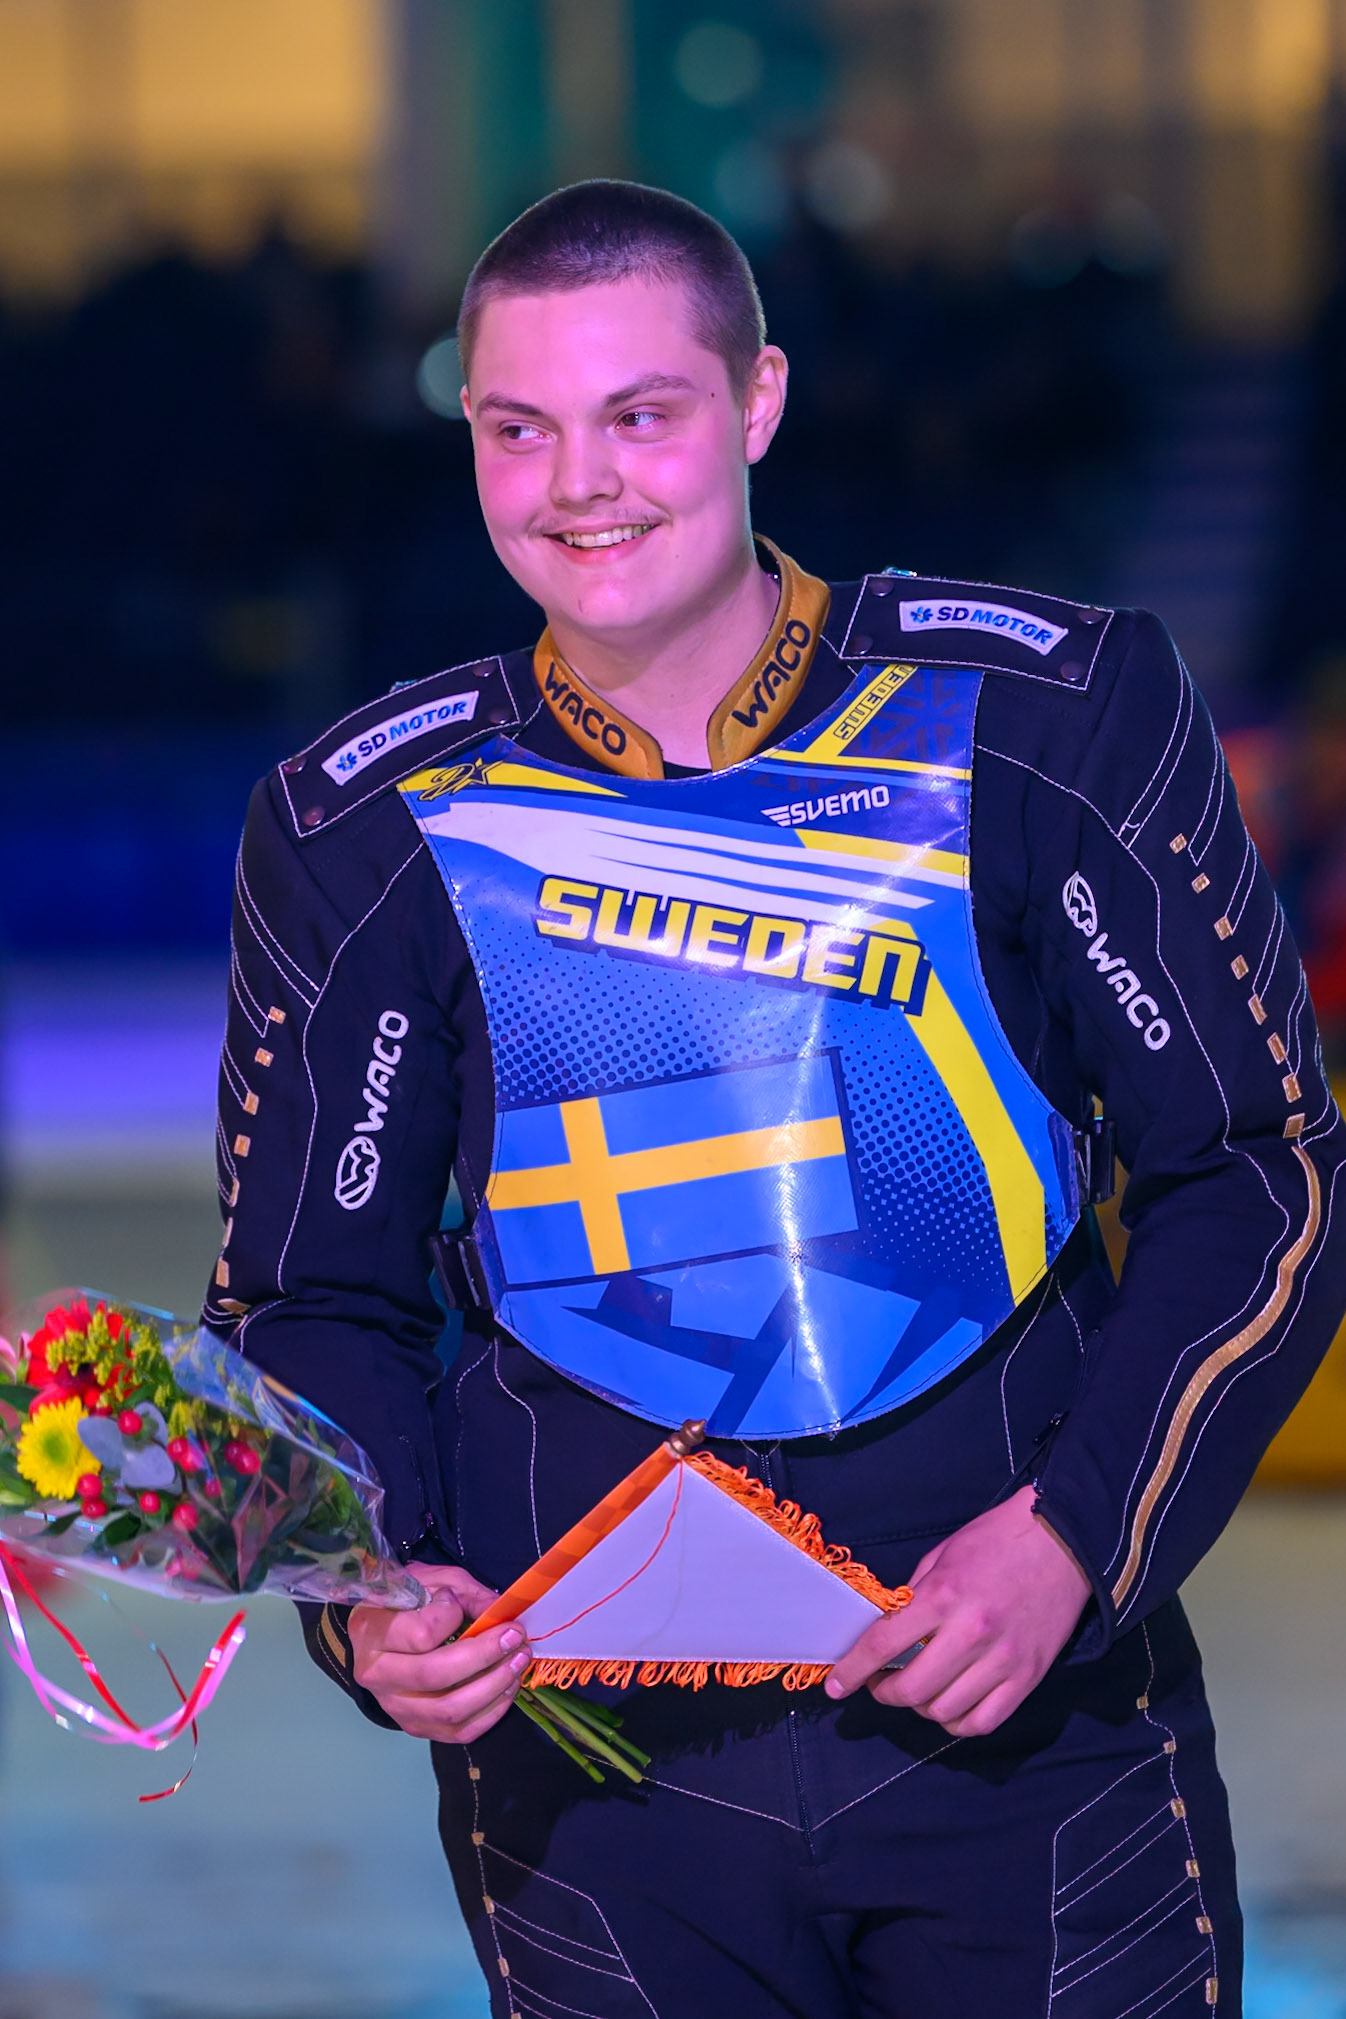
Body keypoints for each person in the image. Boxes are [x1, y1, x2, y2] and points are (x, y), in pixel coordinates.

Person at [204, 182, 1346, 2019]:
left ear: (758, 401)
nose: (577, 485)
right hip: (590, 1784)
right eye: (517, 429)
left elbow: (1257, 1171)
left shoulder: (1039, 722)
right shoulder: (358, 826)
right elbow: (303, 1299)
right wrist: (371, 1594)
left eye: (638, 414)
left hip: (1022, 1725)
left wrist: (1074, 1538)